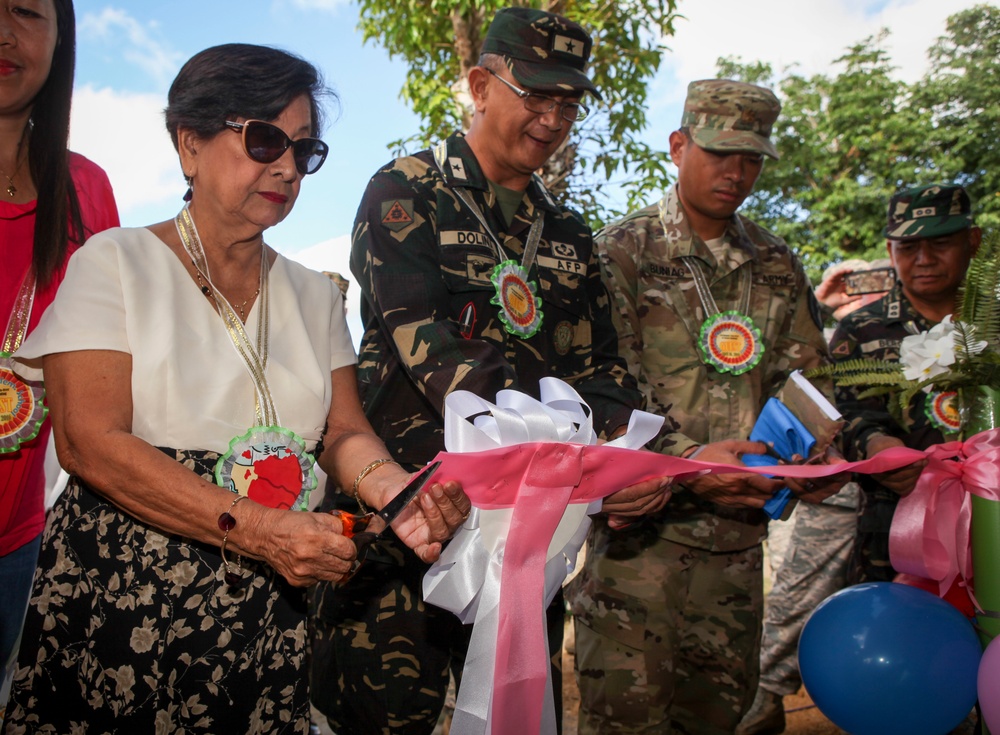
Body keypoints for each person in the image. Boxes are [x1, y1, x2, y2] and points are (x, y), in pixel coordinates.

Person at [4, 43, 469, 733]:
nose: (285, 165)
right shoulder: (116, 262)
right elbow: (87, 442)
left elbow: (344, 433)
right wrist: (257, 529)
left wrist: (398, 493)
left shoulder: (315, 295)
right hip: (125, 601)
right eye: (263, 139)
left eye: (304, 150)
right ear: (188, 143)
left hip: (264, 614)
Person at [309, 8, 671, 734]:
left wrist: (630, 460)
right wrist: (555, 445)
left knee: (516, 715)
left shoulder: (567, 234)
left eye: (568, 102)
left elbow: (601, 372)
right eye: (535, 94)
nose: (552, 117)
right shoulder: (406, 192)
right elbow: (430, 348)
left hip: (527, 536)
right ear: (479, 84)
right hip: (408, 521)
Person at [568, 79, 848, 735]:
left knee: (719, 720)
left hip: (738, 556)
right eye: (720, 153)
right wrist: (689, 463)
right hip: (640, 555)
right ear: (678, 145)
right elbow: (595, 396)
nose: (736, 172)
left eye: (751, 159)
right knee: (626, 723)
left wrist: (811, 449)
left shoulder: (777, 264)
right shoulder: (622, 252)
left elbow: (809, 381)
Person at [0, 0, 119, 706]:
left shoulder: (86, 190)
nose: (4, 32)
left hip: (32, 547)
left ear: (61, 38)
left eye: (26, 11)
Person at [737, 258, 893, 735]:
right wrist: (826, 304)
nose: (866, 291)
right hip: (835, 489)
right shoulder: (847, 326)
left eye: (879, 281)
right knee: (798, 593)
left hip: (909, 494)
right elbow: (805, 375)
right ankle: (765, 693)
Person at [831, 183, 979, 585]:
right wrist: (875, 446)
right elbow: (842, 415)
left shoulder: (992, 325)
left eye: (941, 243)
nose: (924, 260)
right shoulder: (860, 328)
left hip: (990, 523)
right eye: (908, 248)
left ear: (972, 240)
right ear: (890, 249)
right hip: (897, 532)